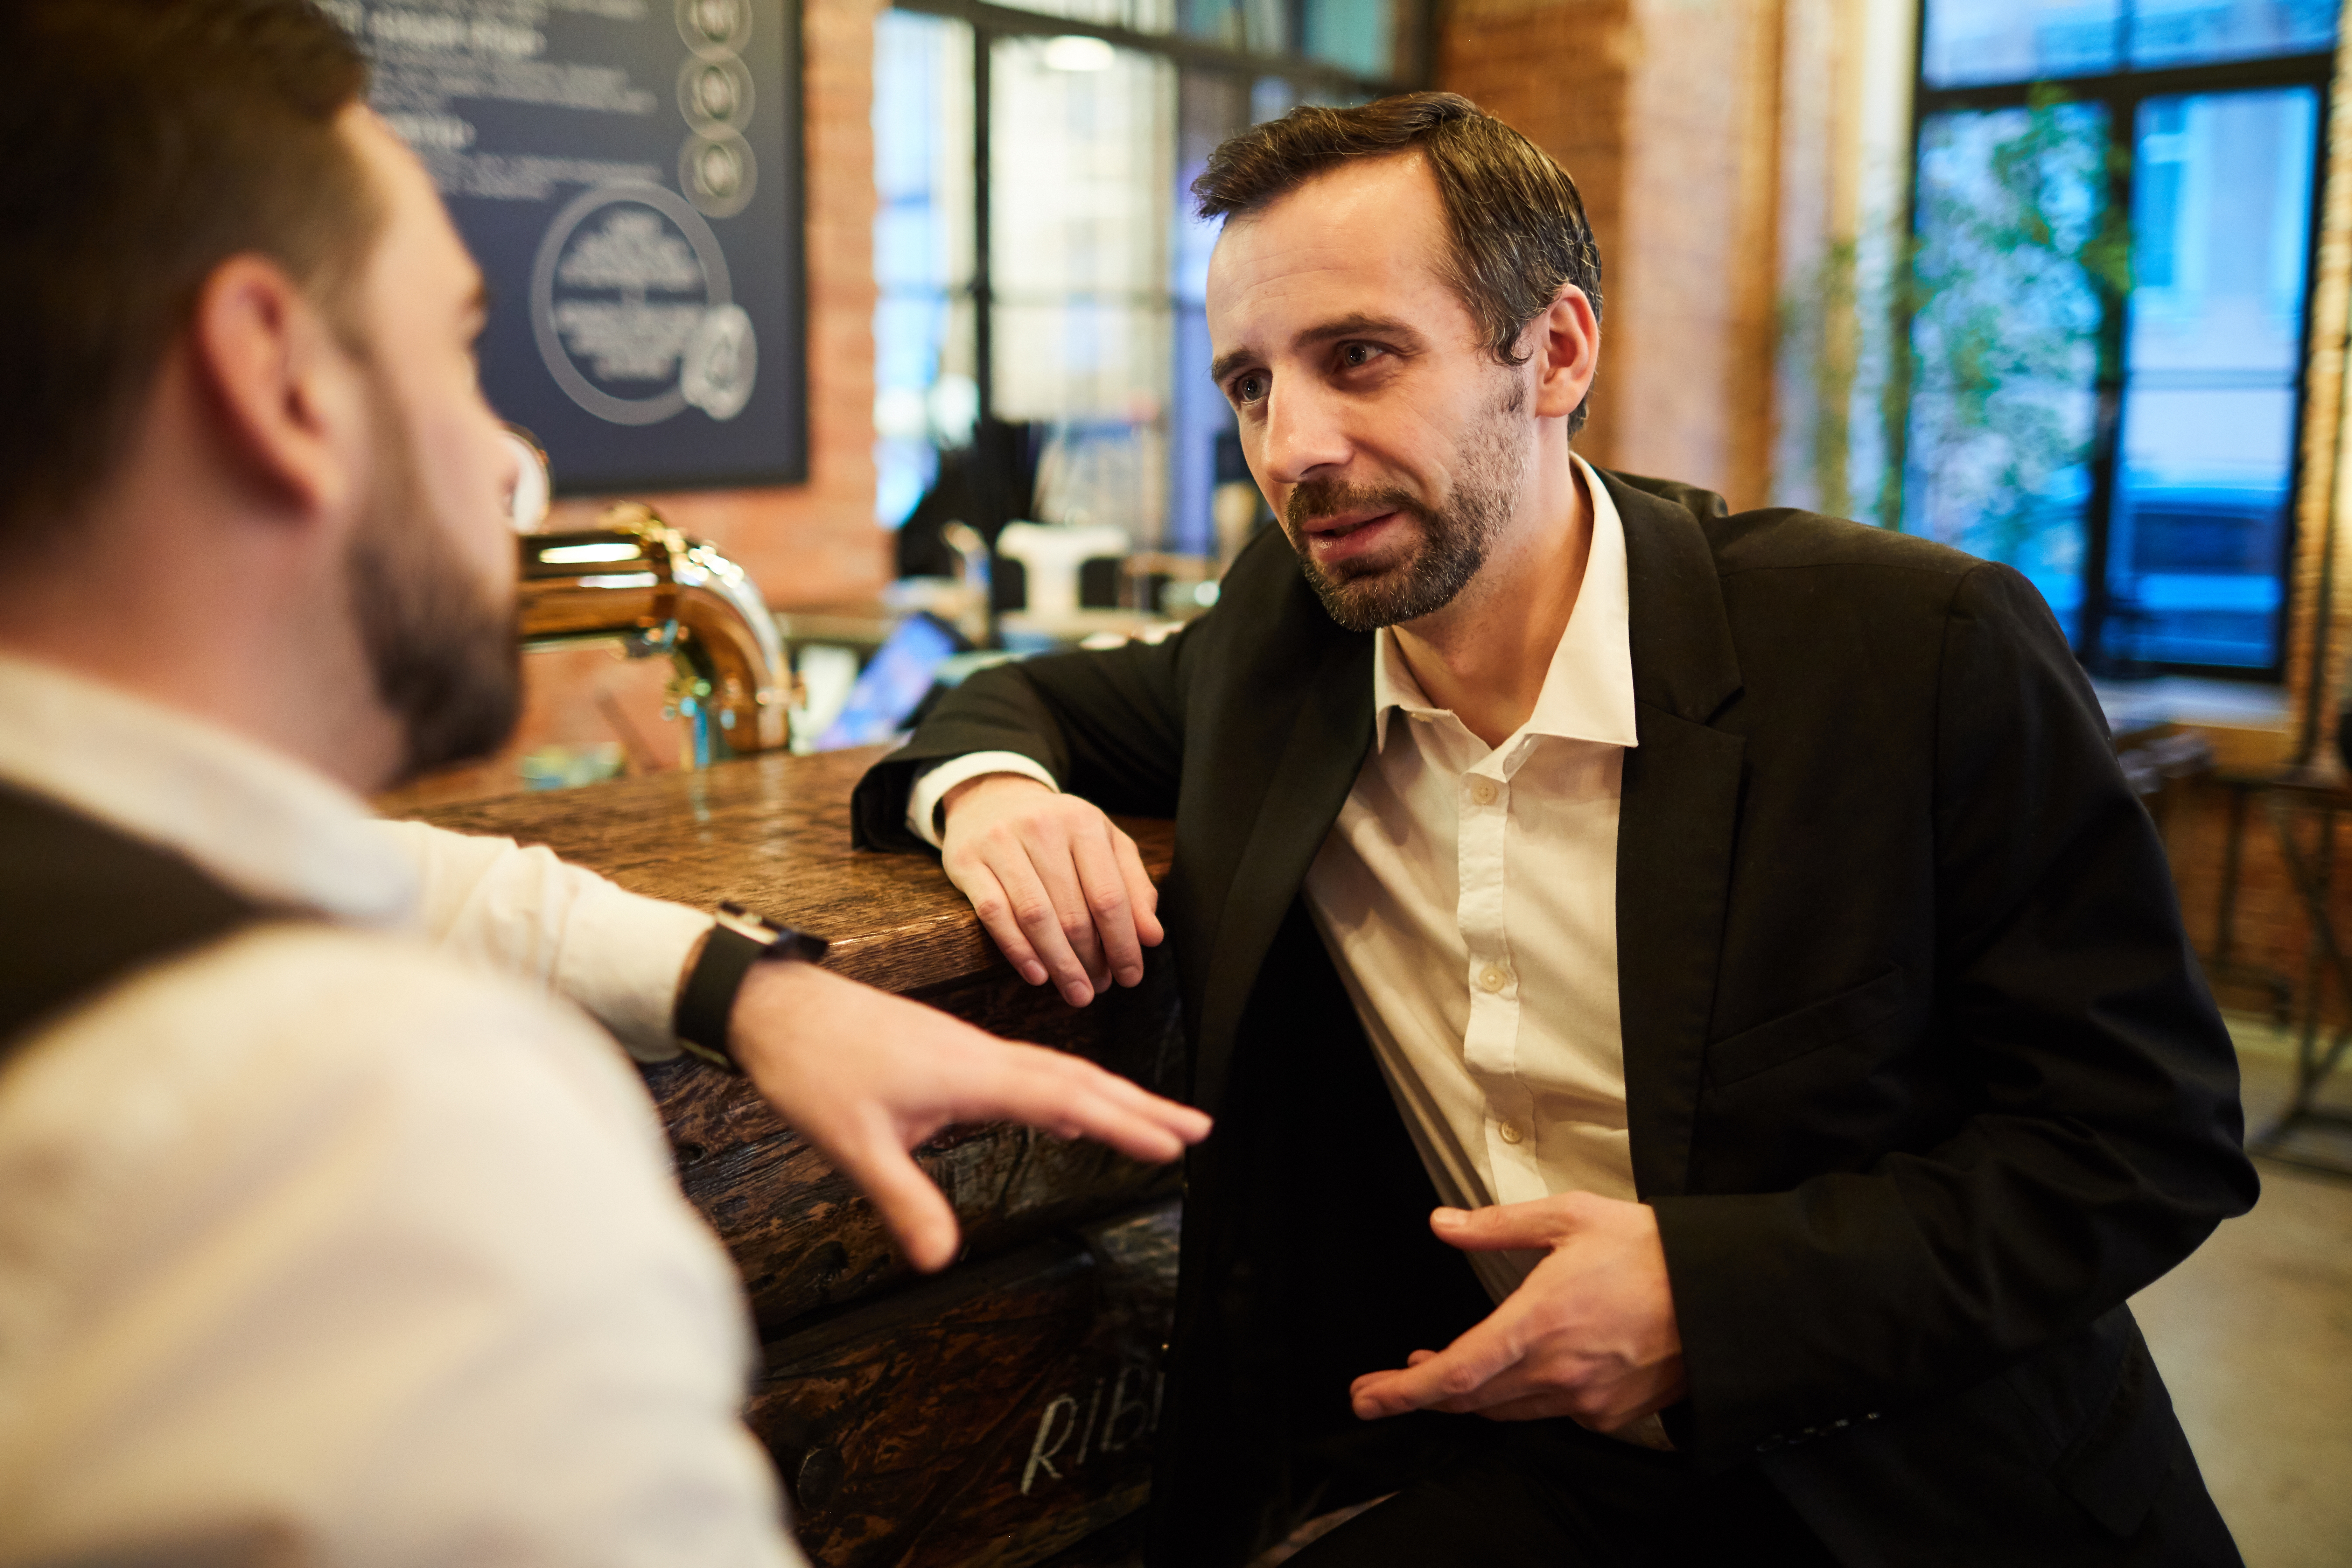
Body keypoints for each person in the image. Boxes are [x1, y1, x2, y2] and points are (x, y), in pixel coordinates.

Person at [851, 94, 2258, 1566]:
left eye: (1360, 357)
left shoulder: (1913, 647)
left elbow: (2144, 1137)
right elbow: (1017, 697)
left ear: (1556, 351)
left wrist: (1708, 1304)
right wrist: (997, 792)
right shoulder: (1284, 644)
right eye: (1251, 384)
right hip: (1536, 1475)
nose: (1293, 446)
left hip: (1922, 1476)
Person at [0, 2, 1208, 1561]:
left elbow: (414, 881)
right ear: (278, 377)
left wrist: (747, 990)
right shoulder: (374, 1125)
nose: (516, 462)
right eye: (455, 345)